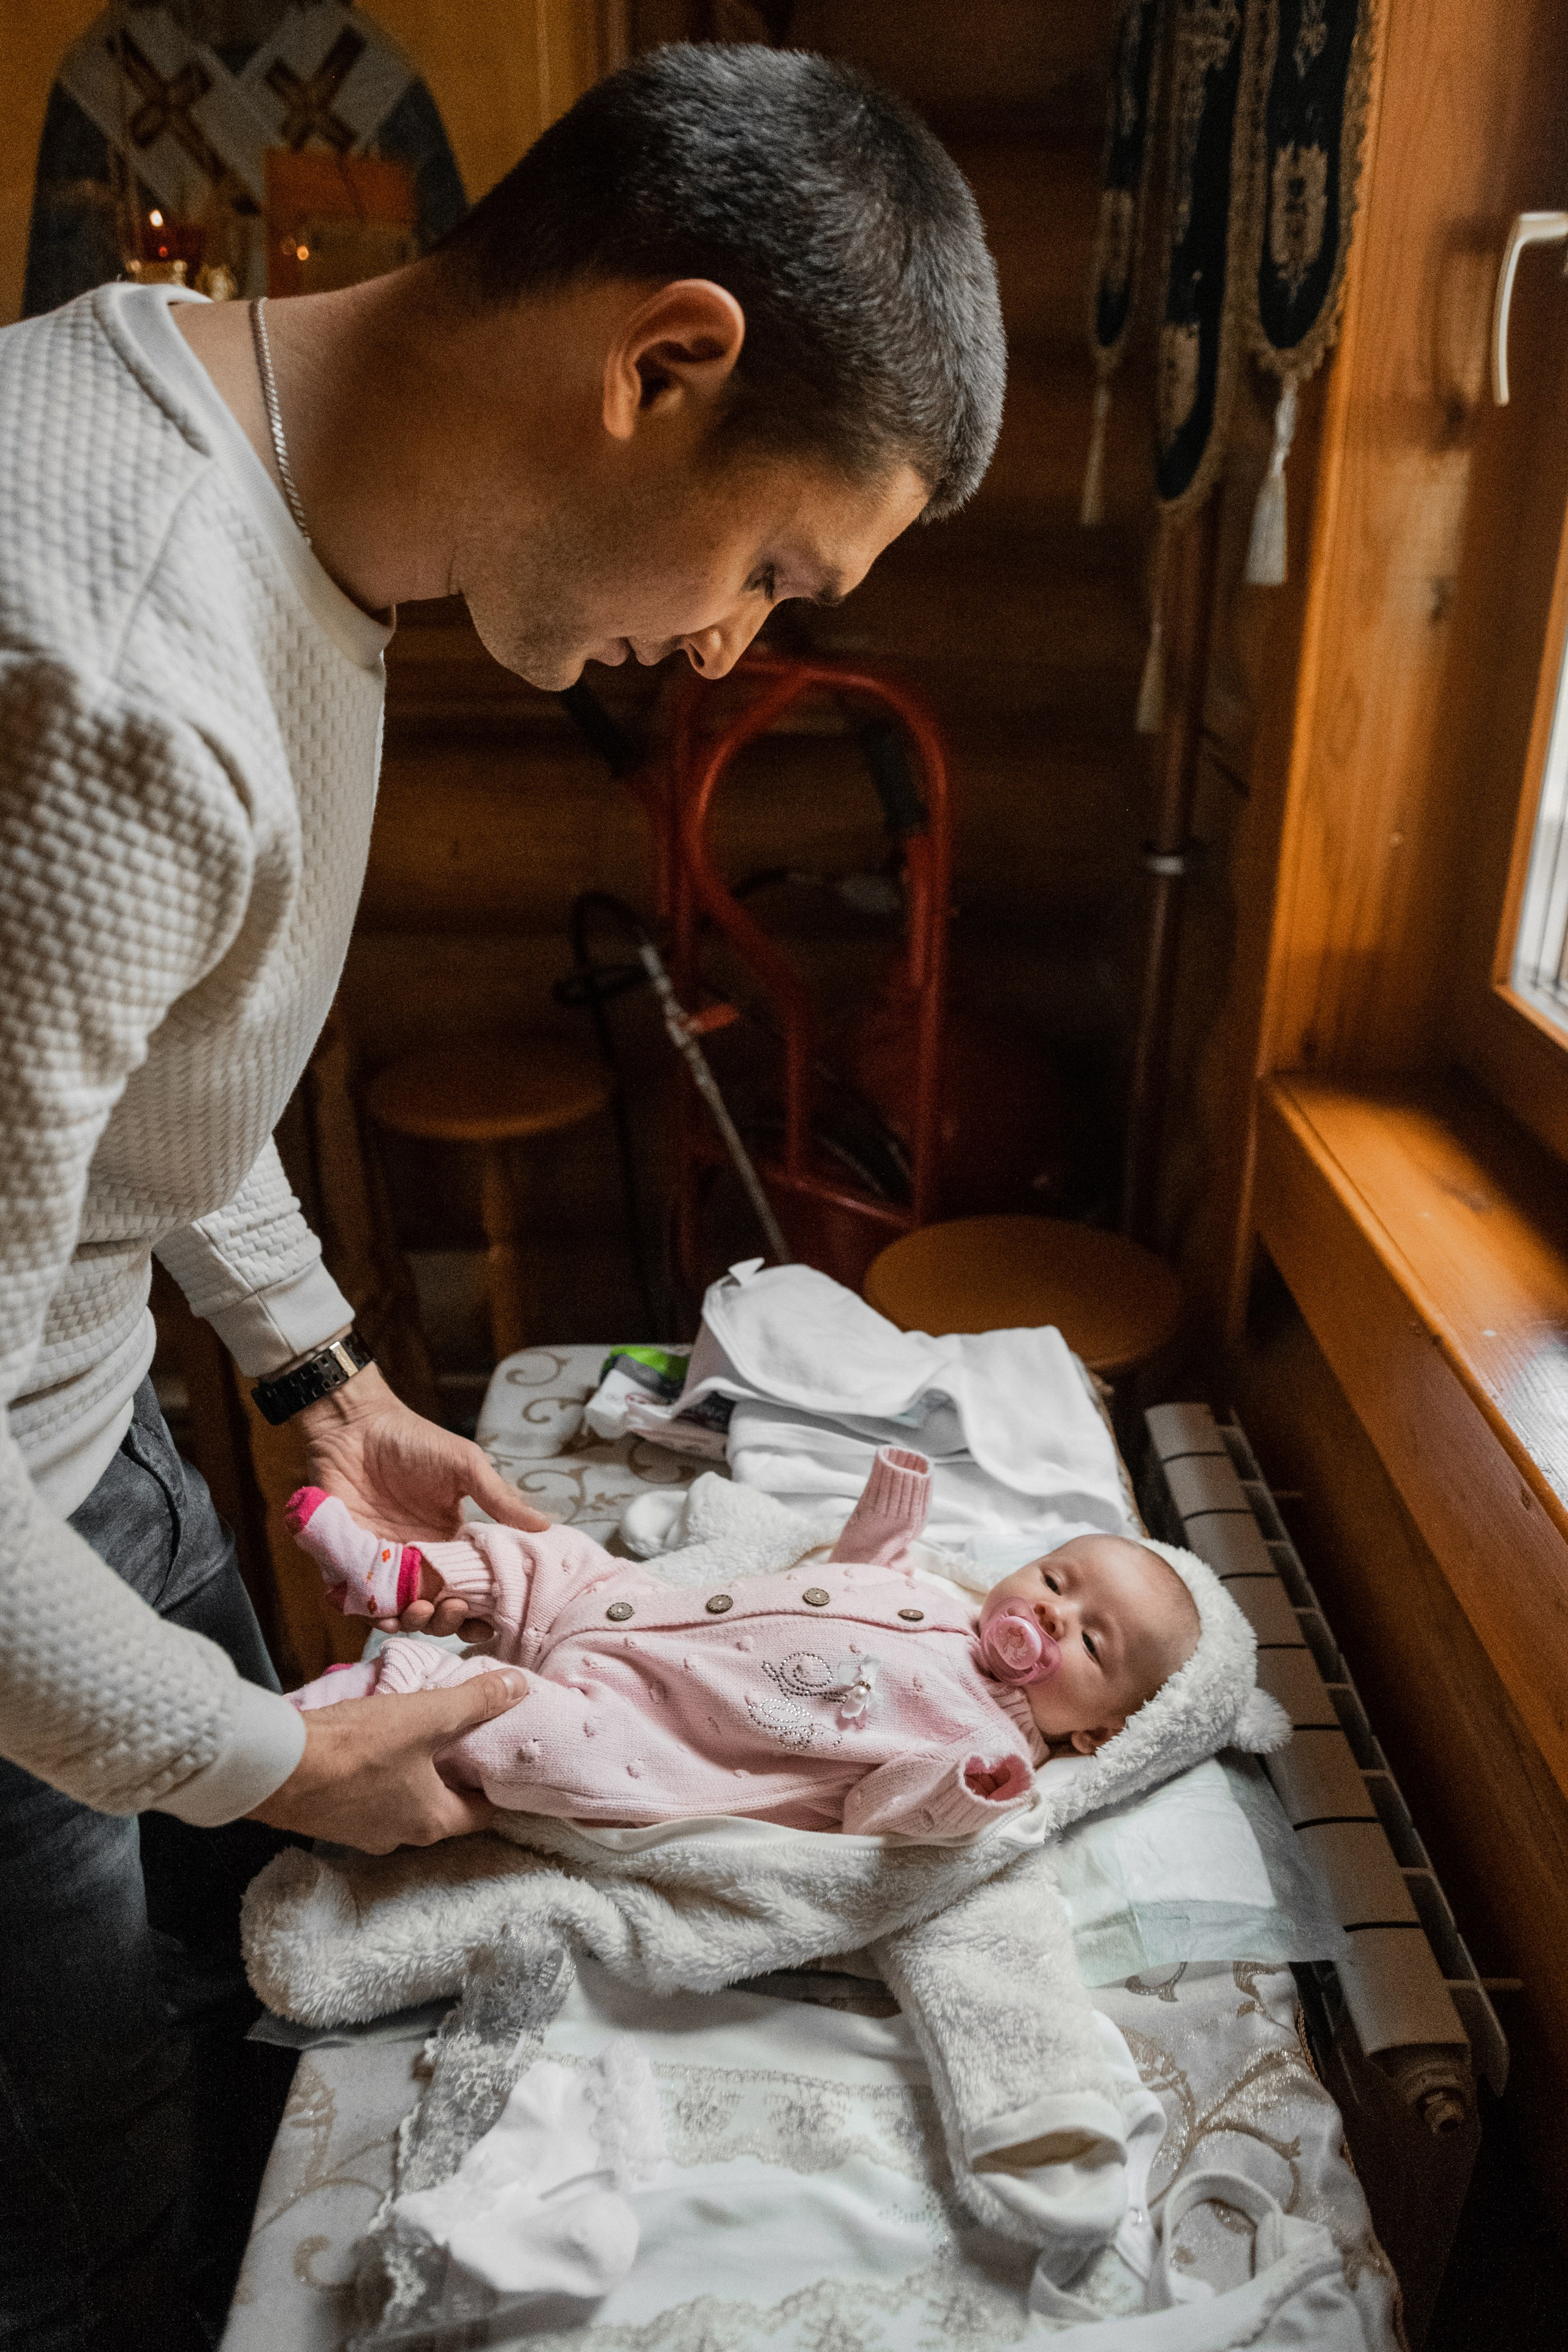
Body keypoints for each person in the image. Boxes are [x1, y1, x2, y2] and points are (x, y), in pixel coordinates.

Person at [0, 40, 1006, 2350]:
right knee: (101, 2230)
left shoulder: (279, 505)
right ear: (665, 362)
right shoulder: (110, 669)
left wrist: (315, 1370)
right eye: (772, 568)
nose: (737, 647)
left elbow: (147, 1064)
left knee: (244, 2039)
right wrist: (269, 1755)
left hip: (89, 1445)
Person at [284, 1446, 1202, 1833]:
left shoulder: (991, 1745)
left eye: (1090, 1642)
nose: (1051, 1614)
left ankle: (365, 1702)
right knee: (553, 1557)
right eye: (1053, 1580)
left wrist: (971, 1795)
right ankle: (406, 1575)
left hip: (653, 1738)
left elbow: (885, 1817)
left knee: (524, 1732)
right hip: (645, 1615)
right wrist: (889, 1514)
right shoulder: (942, 1598)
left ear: (1096, 1734)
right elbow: (858, 1572)